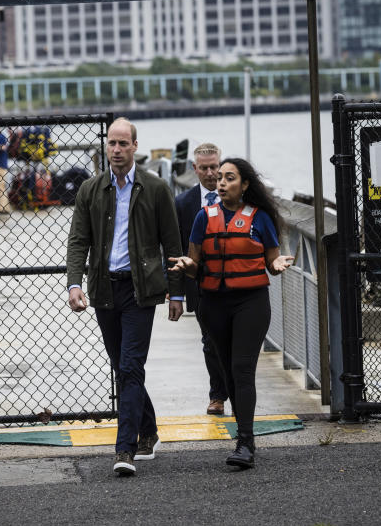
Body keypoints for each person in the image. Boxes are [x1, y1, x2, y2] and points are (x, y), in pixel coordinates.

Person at [66, 117, 184, 477]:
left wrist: (176, 291)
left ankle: (125, 449)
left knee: (131, 366)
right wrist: (74, 284)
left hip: (141, 290)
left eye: (122, 144)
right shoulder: (91, 189)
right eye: (111, 144)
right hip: (104, 288)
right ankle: (148, 430)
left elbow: (172, 243)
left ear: (135, 146)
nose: (116, 150)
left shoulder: (155, 188)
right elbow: (78, 241)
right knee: (122, 366)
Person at [168, 158, 294, 470]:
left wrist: (276, 267)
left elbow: (272, 261)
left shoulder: (260, 218)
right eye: (220, 178)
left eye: (229, 178)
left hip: (250, 302)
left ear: (245, 184)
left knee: (242, 369)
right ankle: (244, 436)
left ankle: (246, 442)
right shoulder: (203, 217)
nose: (222, 183)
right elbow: (196, 262)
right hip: (213, 303)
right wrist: (187, 266)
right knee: (227, 371)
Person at [175, 143, 230, 416]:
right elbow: (174, 248)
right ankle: (217, 395)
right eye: (204, 168)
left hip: (234, 280)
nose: (210, 173)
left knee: (235, 341)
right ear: (194, 169)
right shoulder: (183, 203)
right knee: (210, 341)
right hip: (200, 285)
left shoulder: (237, 199)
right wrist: (175, 291)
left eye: (214, 167)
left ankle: (237, 390)